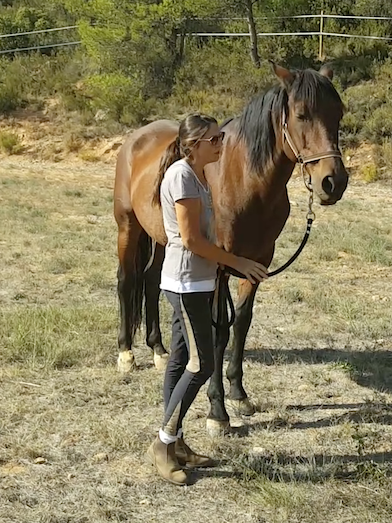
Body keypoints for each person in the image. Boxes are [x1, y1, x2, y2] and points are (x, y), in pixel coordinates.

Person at [146, 114, 268, 485]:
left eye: (221, 138)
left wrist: (220, 269)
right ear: (194, 144)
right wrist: (238, 263)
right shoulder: (182, 175)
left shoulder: (198, 175)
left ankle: (176, 442)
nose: (221, 144)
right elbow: (191, 241)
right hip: (184, 284)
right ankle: (163, 443)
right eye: (215, 140)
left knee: (182, 359)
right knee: (202, 365)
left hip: (197, 281)